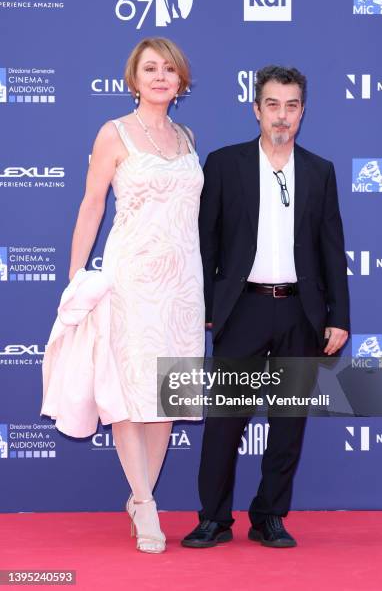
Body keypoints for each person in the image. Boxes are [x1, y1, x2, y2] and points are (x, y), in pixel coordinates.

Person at [182, 65, 350, 549]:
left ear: (303, 112)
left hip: (300, 313)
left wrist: (339, 316)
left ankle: (269, 515)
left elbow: (331, 250)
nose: (282, 115)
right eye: (272, 105)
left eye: (291, 105)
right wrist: (209, 305)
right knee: (224, 425)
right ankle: (214, 518)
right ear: (256, 109)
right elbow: (205, 245)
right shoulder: (223, 163)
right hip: (243, 310)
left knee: (288, 426)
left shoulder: (320, 171)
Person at [65, 37, 204, 553]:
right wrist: (77, 274)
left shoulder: (186, 136)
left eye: (170, 69)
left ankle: (140, 494)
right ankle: (145, 504)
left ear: (181, 80)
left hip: (183, 284)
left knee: (165, 397)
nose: (161, 77)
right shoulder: (114, 133)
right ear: (134, 78)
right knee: (127, 394)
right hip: (130, 279)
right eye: (151, 68)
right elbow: (91, 204)